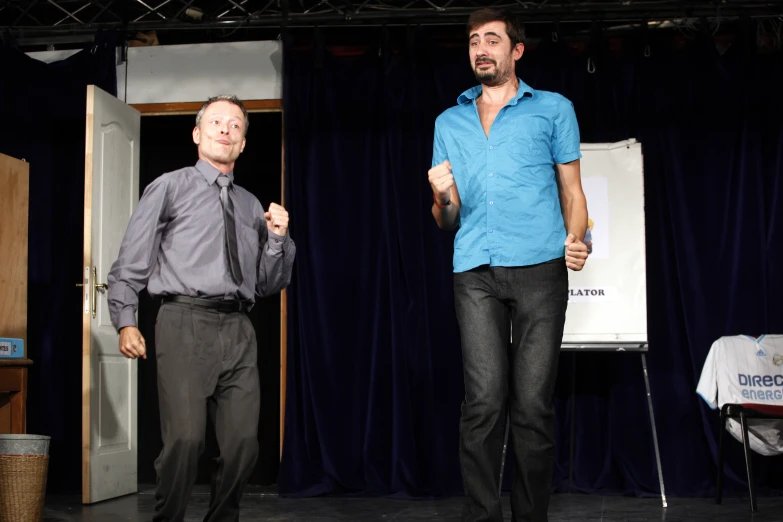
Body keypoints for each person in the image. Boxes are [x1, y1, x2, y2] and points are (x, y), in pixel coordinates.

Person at [427, 9, 588, 522]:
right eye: (474, 41)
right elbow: (445, 219)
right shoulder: (448, 122)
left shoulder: (554, 109)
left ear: (516, 50)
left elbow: (572, 191)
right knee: (482, 404)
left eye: (492, 40)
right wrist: (441, 195)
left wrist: (578, 237)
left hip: (541, 268)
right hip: (474, 271)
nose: (481, 49)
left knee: (533, 408)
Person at [107, 94, 295, 522]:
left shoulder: (250, 205)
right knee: (186, 441)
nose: (225, 129)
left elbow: (267, 284)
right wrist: (125, 321)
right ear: (197, 133)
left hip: (238, 330)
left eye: (235, 125)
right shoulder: (170, 187)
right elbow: (130, 261)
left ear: (244, 142)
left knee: (244, 443)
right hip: (184, 321)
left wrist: (279, 241)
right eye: (216, 122)